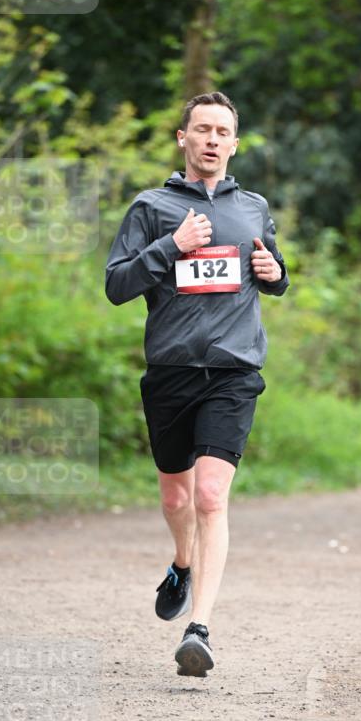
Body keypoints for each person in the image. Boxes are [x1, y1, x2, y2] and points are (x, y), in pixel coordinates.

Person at [105, 92, 289, 677]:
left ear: (234, 144)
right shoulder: (151, 207)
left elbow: (273, 270)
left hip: (234, 370)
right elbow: (116, 285)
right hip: (171, 372)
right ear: (182, 138)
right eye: (201, 129)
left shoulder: (254, 207)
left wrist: (277, 274)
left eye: (222, 132)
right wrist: (171, 246)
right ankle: (181, 563)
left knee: (211, 496)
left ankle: (200, 628)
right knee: (176, 498)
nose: (212, 139)